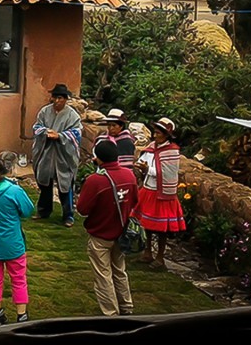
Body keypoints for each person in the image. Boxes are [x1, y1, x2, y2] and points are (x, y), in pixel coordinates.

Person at [77, 139, 139, 316]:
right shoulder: (129, 175)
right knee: (120, 270)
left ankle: (111, 314)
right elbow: (135, 200)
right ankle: (127, 307)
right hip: (121, 233)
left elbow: (82, 209)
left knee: (103, 275)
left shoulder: (95, 180)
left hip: (101, 235)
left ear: (98, 159)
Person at [0, 151, 35, 325]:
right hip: (12, 242)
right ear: (13, 168)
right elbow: (28, 210)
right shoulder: (14, 191)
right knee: (18, 278)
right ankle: (22, 316)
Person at [132, 117, 186, 269]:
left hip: (162, 194)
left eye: (159, 133)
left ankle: (160, 256)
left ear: (167, 135)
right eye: (155, 133)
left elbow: (168, 173)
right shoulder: (152, 147)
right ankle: (147, 252)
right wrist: (142, 166)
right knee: (147, 224)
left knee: (161, 228)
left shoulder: (171, 152)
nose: (156, 136)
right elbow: (145, 159)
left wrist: (147, 169)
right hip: (148, 189)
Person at [31, 83, 83, 227]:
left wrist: (60, 136)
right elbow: (36, 127)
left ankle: (68, 215)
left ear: (66, 99)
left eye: (61, 98)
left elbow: (77, 133)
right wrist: (46, 132)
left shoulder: (73, 115)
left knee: (65, 185)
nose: (58, 101)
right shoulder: (44, 112)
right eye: (56, 97)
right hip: (46, 153)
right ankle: (43, 211)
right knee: (45, 183)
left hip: (64, 155)